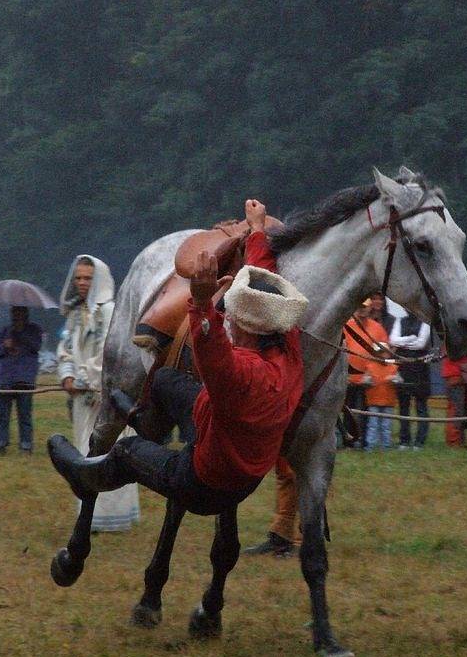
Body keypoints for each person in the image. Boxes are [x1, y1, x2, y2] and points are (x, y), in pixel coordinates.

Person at [48, 200, 308, 523]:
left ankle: (83, 472)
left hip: (206, 481)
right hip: (248, 477)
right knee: (164, 379)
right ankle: (149, 422)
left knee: (128, 452)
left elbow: (209, 345)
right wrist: (256, 232)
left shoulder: (237, 370)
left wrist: (201, 301)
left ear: (245, 326)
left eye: (236, 315)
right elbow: (266, 287)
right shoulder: (290, 354)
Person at [58, 255, 139, 532]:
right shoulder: (74, 313)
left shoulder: (109, 312)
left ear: (99, 280)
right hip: (83, 400)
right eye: (78, 277)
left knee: (107, 453)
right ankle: (89, 514)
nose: (82, 283)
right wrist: (67, 374)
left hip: (107, 398)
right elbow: (66, 347)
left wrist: (85, 378)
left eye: (87, 278)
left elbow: (112, 352)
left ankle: (110, 517)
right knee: (84, 450)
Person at [0, 306, 43, 454]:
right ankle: (1, 443)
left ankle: (26, 445)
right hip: (4, 379)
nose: (18, 315)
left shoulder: (35, 330)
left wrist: (20, 335)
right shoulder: (4, 331)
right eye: (15, 312)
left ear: (26, 313)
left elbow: (36, 347)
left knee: (25, 415)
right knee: (2, 415)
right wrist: (5, 345)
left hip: (25, 379)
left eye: (21, 312)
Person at [344, 301, 389, 448]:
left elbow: (383, 352)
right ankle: (349, 441)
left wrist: (373, 372)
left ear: (370, 308)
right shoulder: (347, 326)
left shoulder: (377, 328)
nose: (362, 310)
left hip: (369, 379)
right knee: (348, 411)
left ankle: (364, 442)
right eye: (359, 307)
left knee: (366, 412)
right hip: (349, 377)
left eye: (364, 307)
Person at [390, 313, 431, 449]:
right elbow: (393, 340)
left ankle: (420, 441)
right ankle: (404, 441)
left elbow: (421, 344)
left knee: (421, 407)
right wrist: (411, 338)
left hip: (420, 370)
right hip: (403, 369)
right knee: (403, 406)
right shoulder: (399, 320)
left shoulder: (426, 321)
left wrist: (403, 342)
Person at [363, 345, 399, 450]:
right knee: (373, 425)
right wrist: (367, 380)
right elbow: (364, 380)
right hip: (373, 401)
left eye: (384, 352)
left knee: (386, 426)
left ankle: (386, 446)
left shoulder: (393, 367)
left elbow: (399, 380)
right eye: (379, 352)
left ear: (388, 353)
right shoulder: (370, 367)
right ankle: (370, 446)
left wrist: (395, 379)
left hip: (388, 401)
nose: (382, 355)